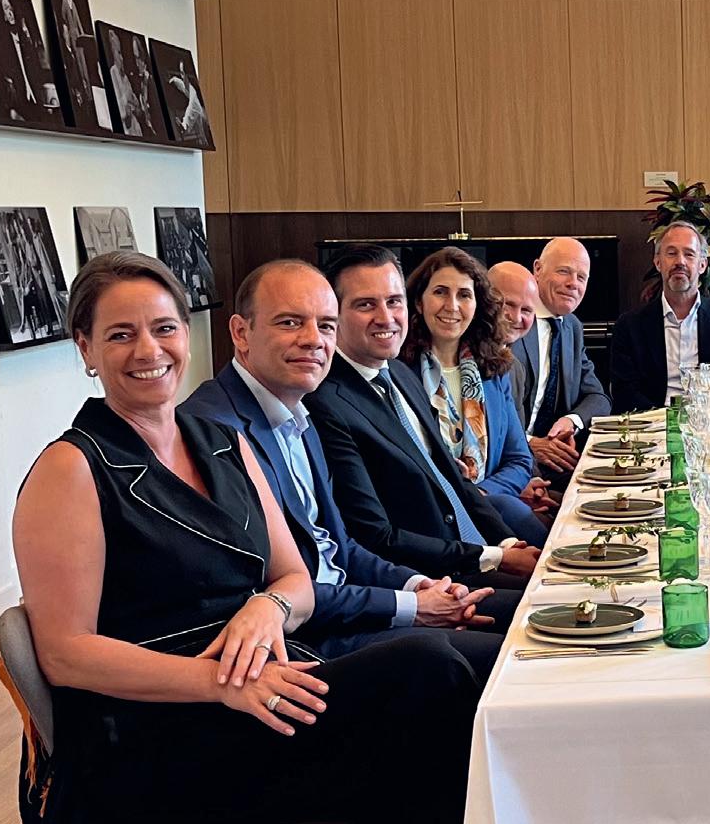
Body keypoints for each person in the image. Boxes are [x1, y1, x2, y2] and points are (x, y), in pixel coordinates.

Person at [6, 252, 480, 824]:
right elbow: (66, 654)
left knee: (473, 668)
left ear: (187, 335)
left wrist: (266, 606)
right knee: (428, 668)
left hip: (262, 698)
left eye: (162, 328)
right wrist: (214, 684)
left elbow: (295, 576)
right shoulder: (71, 469)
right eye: (120, 334)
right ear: (84, 348)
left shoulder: (219, 441)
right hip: (159, 741)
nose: (148, 350)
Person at [180, 257, 515, 664]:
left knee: (520, 621)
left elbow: (340, 549)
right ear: (240, 332)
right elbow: (270, 590)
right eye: (290, 323)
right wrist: (411, 607)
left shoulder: (297, 409)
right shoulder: (214, 430)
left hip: (354, 603)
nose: (312, 339)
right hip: (305, 639)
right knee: (482, 657)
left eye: (325, 325)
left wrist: (417, 586)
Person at [306, 245, 539, 588]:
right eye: (366, 304)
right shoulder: (325, 401)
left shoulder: (399, 374)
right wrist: (494, 557)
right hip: (429, 578)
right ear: (333, 313)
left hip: (471, 554)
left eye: (393, 301)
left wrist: (507, 543)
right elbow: (375, 535)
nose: (385, 317)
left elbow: (453, 478)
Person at [398, 246, 547, 546]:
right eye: (440, 292)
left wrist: (480, 495)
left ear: (477, 304)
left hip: (491, 506)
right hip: (432, 521)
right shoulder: (398, 373)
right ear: (418, 302)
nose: (452, 306)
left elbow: (519, 459)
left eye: (464, 295)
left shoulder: (495, 370)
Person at [610, 223, 710, 411]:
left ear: (702, 265)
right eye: (671, 253)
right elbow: (624, 392)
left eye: (689, 254)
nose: (680, 262)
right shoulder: (629, 326)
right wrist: (667, 419)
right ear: (658, 263)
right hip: (653, 422)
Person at [512, 237, 610, 478]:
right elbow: (490, 413)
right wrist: (530, 443)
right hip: (511, 458)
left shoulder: (571, 327)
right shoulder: (513, 321)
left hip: (555, 459)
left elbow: (598, 398)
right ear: (537, 269)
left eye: (581, 277)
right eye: (564, 272)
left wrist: (571, 421)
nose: (573, 284)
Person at [486, 260, 562, 527]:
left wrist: (531, 480)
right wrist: (514, 486)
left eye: (527, 310)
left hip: (508, 487)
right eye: (507, 304)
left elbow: (517, 447)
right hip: (484, 499)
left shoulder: (511, 366)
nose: (516, 317)